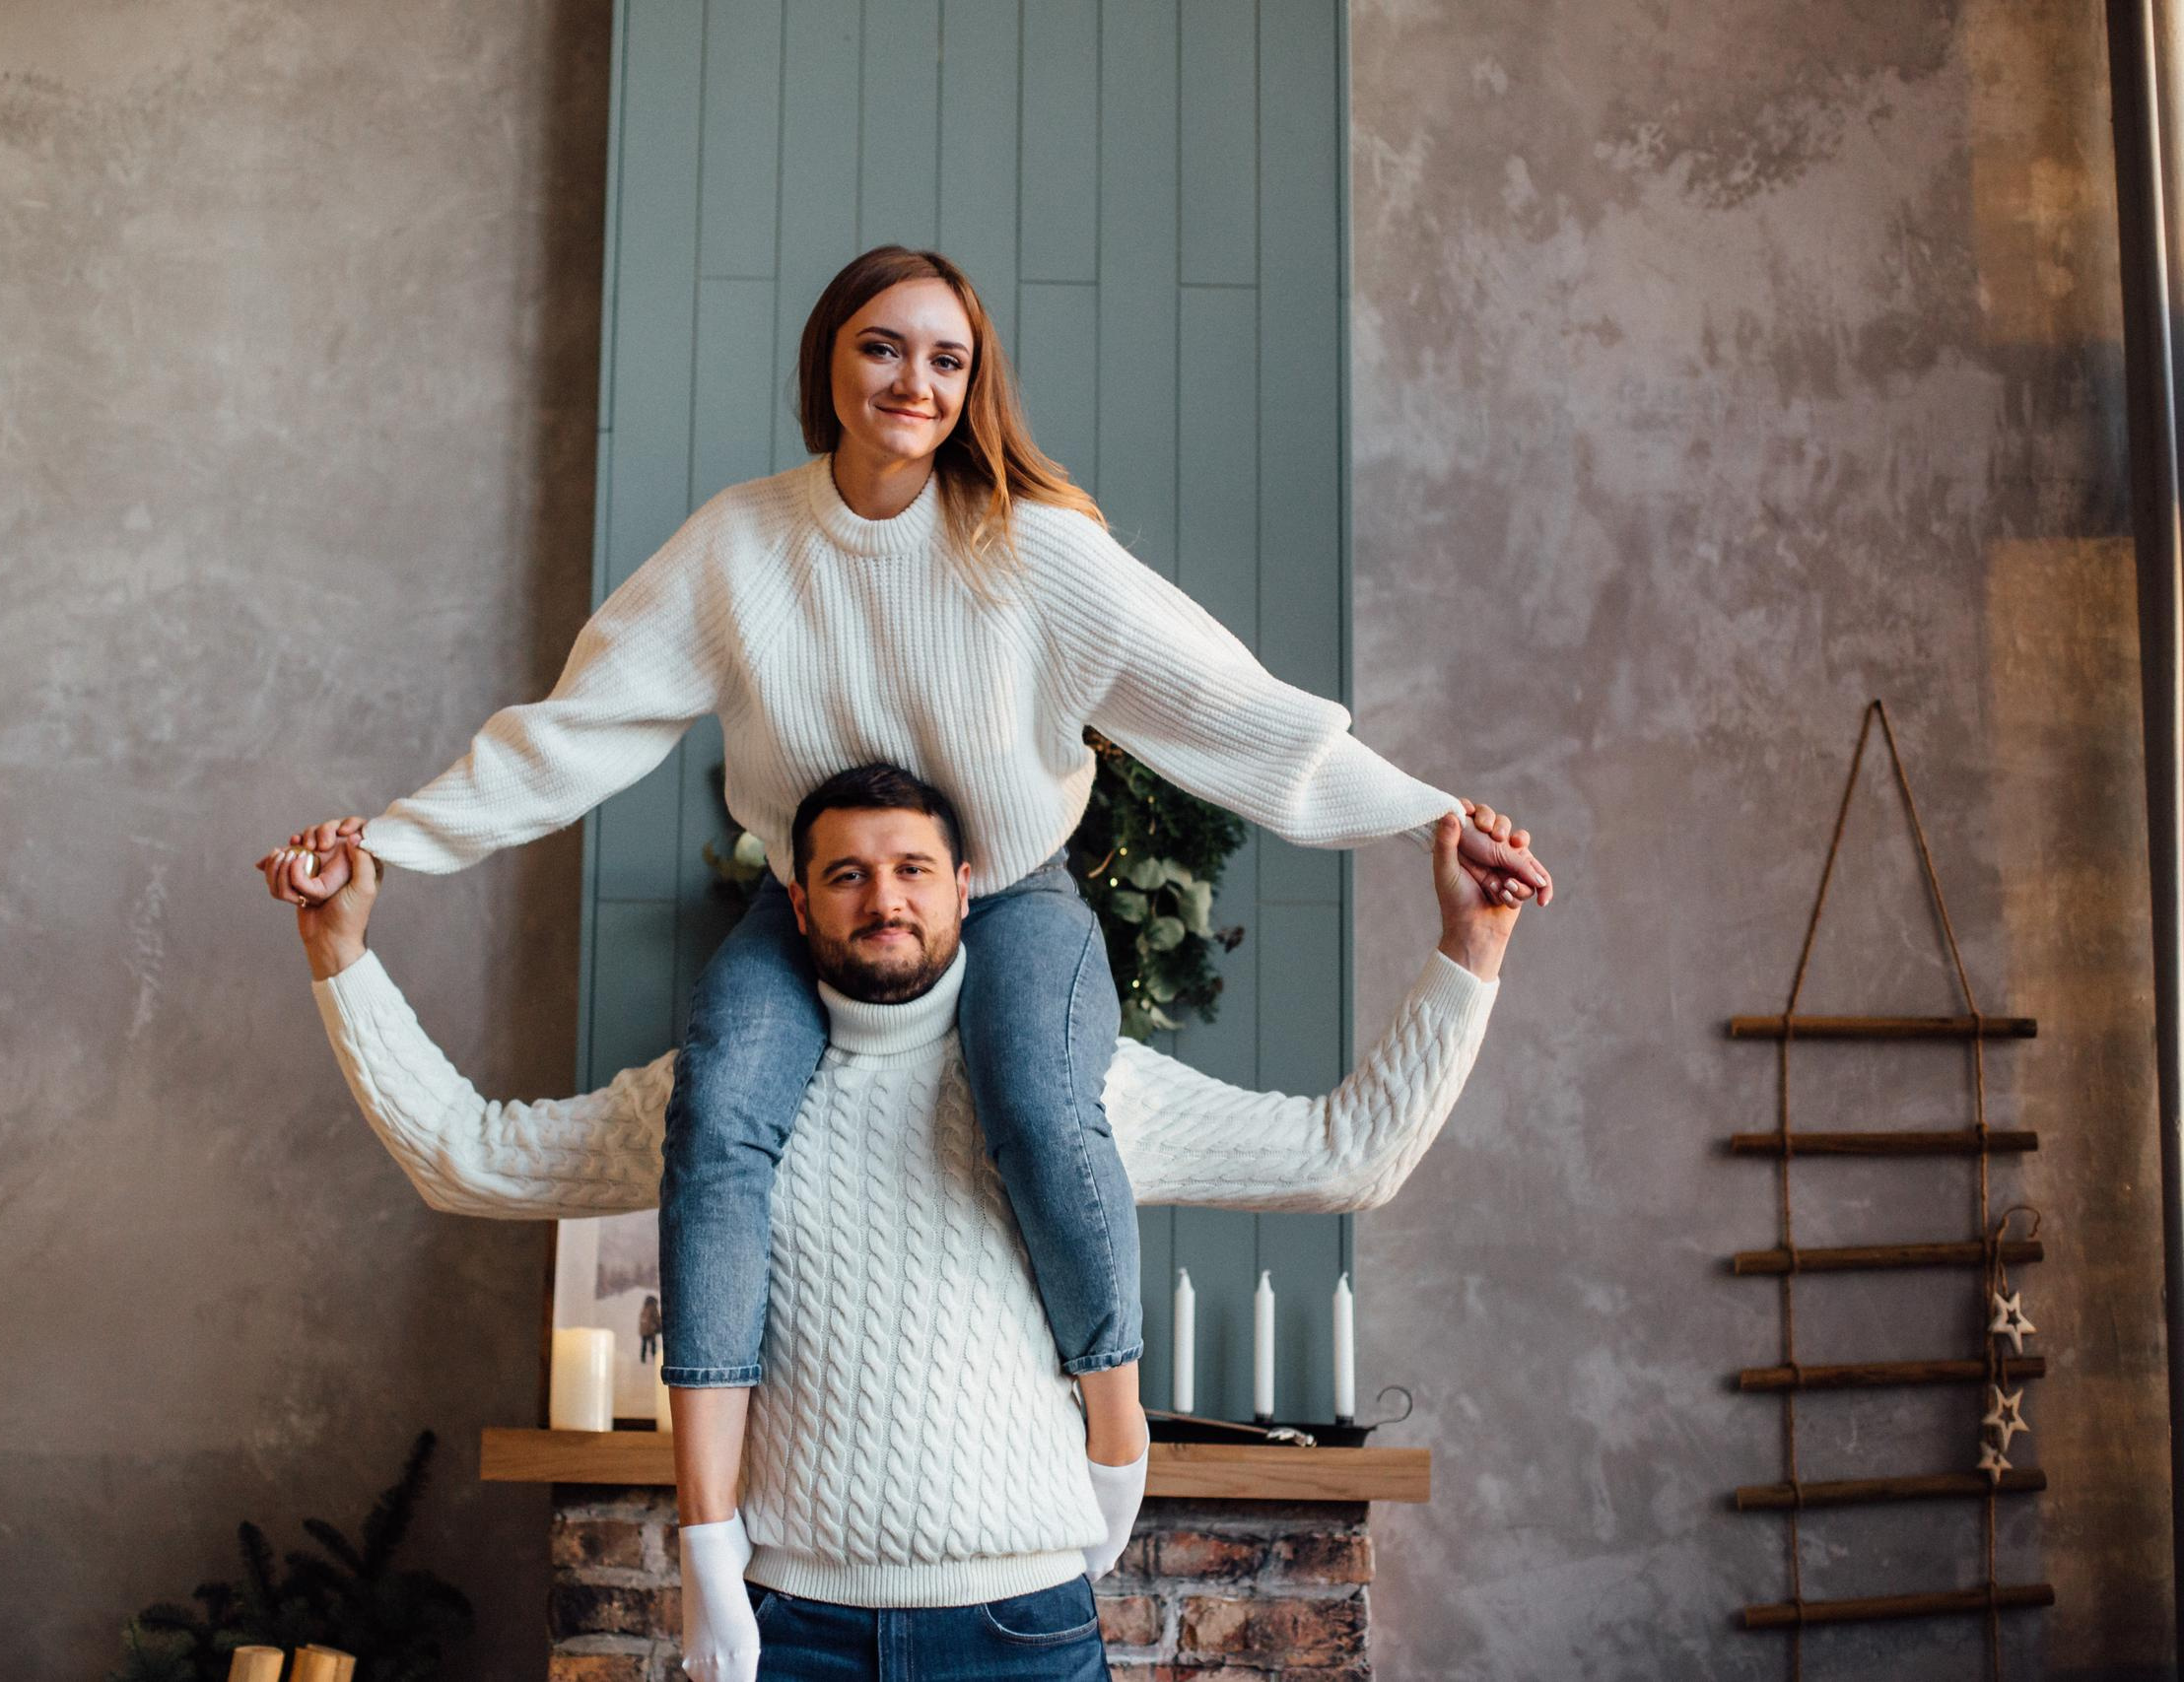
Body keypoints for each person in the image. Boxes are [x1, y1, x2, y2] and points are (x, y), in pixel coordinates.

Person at [258, 244, 1553, 1676]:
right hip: (796, 909)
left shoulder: (1032, 551)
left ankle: (1113, 1428)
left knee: (1038, 1099)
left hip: (1017, 894)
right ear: (829, 359)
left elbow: (1225, 706)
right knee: (718, 1117)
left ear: (975, 384)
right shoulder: (742, 548)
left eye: (947, 360)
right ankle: (710, 1534)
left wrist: (1429, 826)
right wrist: (391, 849)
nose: (915, 383)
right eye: (883, 347)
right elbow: (576, 730)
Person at [273, 762, 1526, 1682]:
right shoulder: (716, 1104)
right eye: (848, 874)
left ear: (966, 890)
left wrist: (1468, 946)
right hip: (789, 1631)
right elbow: (468, 1160)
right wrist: (341, 952)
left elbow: (1348, 1155)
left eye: (913, 869)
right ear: (798, 903)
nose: (885, 897)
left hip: (1023, 1632)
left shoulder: (1081, 1094)